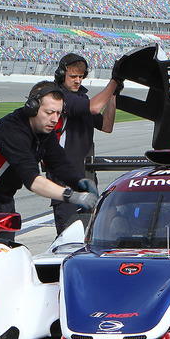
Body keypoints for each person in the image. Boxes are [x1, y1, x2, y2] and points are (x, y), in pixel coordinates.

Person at [0, 81, 98, 238]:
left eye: (59, 113)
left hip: (4, 193)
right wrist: (71, 195)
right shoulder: (12, 131)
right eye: (49, 112)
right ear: (32, 108)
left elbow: (59, 163)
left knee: (7, 243)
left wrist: (79, 181)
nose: (54, 119)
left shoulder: (44, 131)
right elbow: (32, 181)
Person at [48, 53, 123, 234]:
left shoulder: (81, 98)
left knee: (90, 236)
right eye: (73, 76)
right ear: (61, 75)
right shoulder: (61, 98)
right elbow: (95, 107)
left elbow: (106, 125)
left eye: (81, 77)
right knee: (69, 238)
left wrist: (113, 94)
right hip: (65, 183)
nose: (77, 81)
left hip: (87, 179)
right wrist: (113, 81)